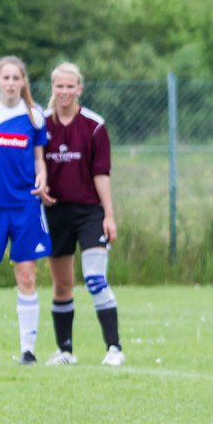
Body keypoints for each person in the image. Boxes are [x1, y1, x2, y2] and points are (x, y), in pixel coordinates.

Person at [40, 63, 123, 366]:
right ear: (53, 88)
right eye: (58, 86)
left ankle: (114, 348)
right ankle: (65, 351)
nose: (64, 91)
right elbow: (36, 166)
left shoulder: (94, 126)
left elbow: (101, 174)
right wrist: (40, 186)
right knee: (62, 285)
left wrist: (109, 215)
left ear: (79, 89)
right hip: (55, 213)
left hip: (89, 213)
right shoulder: (42, 125)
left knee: (95, 279)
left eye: (69, 86)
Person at [0, 56, 50, 365]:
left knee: (26, 275)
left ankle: (28, 350)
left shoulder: (34, 116)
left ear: (23, 81)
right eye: (6, 77)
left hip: (25, 206)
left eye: (16, 78)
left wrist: (42, 176)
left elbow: (39, 158)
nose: (11, 83)